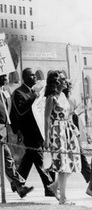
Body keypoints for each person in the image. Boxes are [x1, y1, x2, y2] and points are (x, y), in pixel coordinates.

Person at [0, 75, 33, 199]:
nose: (6, 78)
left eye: (6, 75)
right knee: (7, 158)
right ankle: (20, 186)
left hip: (3, 130)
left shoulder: (6, 90)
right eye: (2, 76)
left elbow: (8, 112)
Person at [10, 68, 54, 196]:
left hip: (38, 129)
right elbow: (20, 112)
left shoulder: (33, 92)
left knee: (29, 159)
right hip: (28, 131)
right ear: (25, 78)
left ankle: (17, 184)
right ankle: (49, 186)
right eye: (31, 75)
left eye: (35, 75)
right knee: (39, 158)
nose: (35, 77)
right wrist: (34, 98)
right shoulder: (18, 93)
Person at [44, 70, 81, 205]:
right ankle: (63, 198)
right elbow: (47, 119)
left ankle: (55, 186)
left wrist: (73, 128)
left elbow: (68, 114)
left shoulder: (63, 97)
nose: (66, 81)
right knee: (62, 165)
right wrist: (47, 139)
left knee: (73, 161)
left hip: (67, 131)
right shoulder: (51, 98)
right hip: (57, 132)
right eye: (64, 79)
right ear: (57, 82)